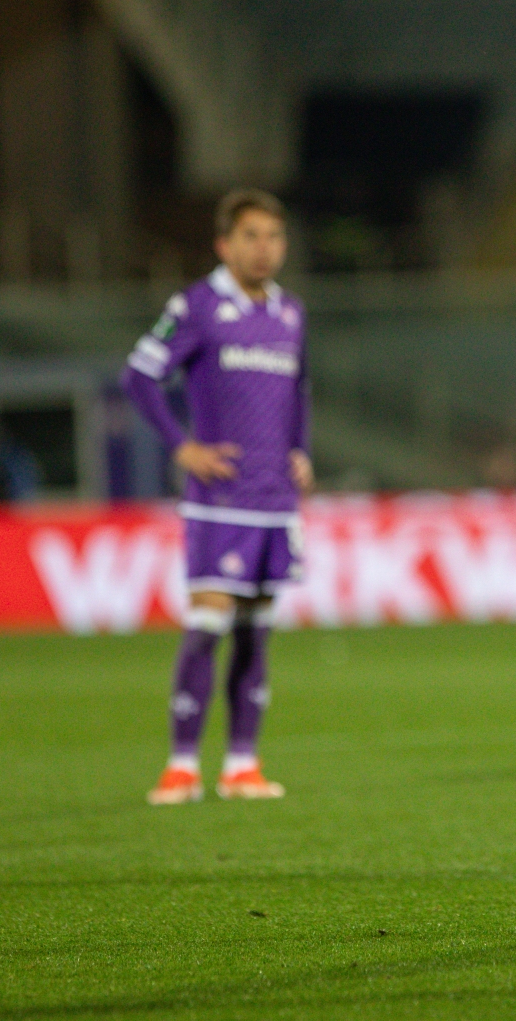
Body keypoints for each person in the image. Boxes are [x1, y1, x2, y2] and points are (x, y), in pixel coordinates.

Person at [122, 189, 312, 805]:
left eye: (274, 237)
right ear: (224, 244)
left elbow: (298, 390)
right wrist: (182, 446)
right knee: (207, 625)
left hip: (274, 500)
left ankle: (241, 765)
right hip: (219, 500)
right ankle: (181, 765)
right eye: (251, 236)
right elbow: (139, 375)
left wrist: (300, 450)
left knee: (256, 633)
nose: (264, 249)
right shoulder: (197, 306)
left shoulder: (289, 313)